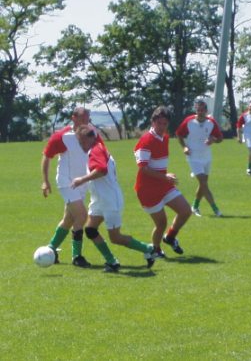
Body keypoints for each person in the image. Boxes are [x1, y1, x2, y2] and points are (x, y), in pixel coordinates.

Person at [71, 125, 159, 272]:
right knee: (91, 230)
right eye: (79, 142)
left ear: (91, 138)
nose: (81, 145)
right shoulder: (97, 148)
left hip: (110, 200)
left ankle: (148, 249)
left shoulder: (96, 150)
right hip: (100, 200)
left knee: (115, 238)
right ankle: (112, 261)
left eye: (83, 142)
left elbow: (101, 170)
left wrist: (82, 179)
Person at [40, 107, 98, 268]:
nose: (86, 122)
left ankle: (51, 250)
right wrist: (45, 181)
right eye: (83, 118)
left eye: (88, 118)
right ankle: (77, 256)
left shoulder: (92, 133)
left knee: (69, 219)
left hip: (82, 183)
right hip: (66, 183)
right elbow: (47, 156)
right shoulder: (63, 136)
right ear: (74, 118)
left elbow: (100, 152)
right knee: (82, 216)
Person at [134, 106, 193, 256]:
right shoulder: (146, 140)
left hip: (163, 184)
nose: (161, 127)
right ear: (152, 122)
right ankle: (155, 249)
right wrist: (165, 177)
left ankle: (170, 237)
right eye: (159, 123)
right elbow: (143, 168)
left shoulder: (165, 137)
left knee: (186, 210)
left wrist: (165, 175)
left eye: (165, 124)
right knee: (161, 223)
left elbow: (156, 165)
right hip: (147, 190)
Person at [176, 97, 224, 217]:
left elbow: (220, 138)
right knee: (203, 182)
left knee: (203, 184)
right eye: (198, 110)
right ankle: (216, 209)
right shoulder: (189, 121)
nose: (200, 112)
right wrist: (184, 147)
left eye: (202, 110)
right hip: (193, 157)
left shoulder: (211, 122)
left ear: (206, 111)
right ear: (195, 110)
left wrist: (213, 140)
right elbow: (179, 134)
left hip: (206, 157)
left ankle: (195, 206)